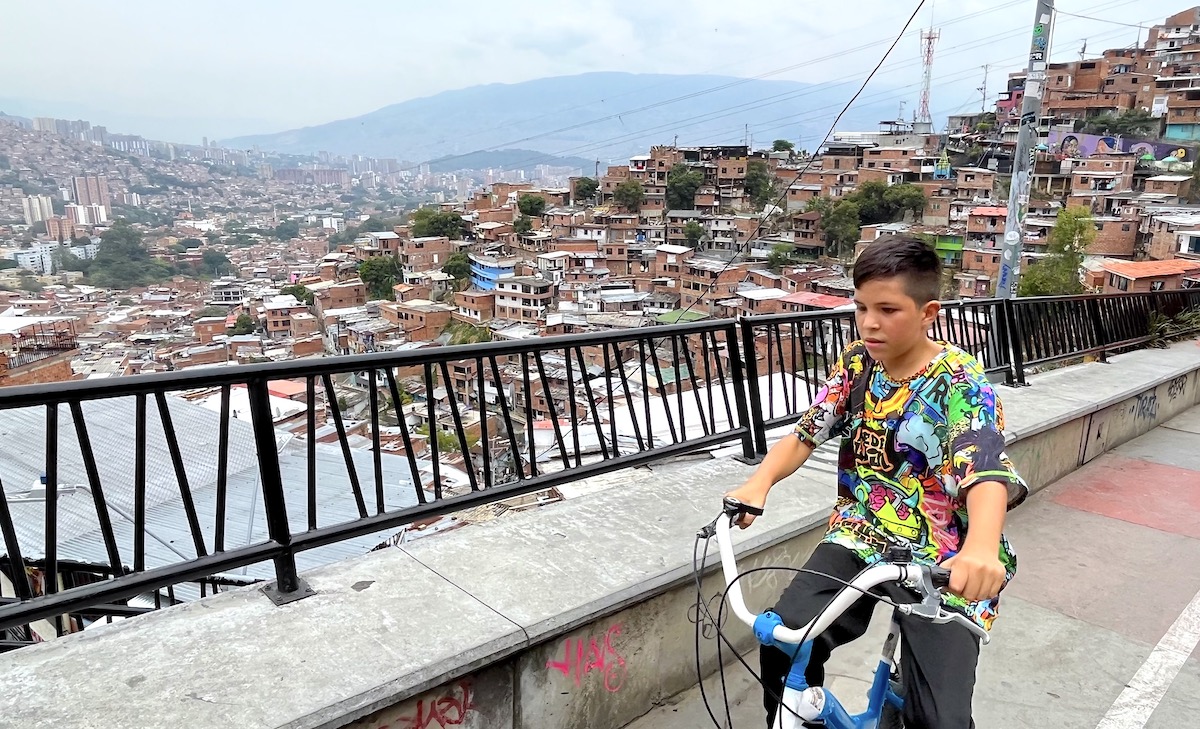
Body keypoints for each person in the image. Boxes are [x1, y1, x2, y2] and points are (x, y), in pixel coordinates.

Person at [725, 235, 1027, 729]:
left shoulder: (960, 381)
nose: (869, 323)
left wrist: (982, 548)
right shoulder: (857, 363)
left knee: (941, 719)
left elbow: (986, 466)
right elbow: (808, 431)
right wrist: (760, 482)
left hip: (943, 557)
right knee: (784, 641)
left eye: (888, 309)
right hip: (862, 534)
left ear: (929, 311)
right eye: (862, 307)